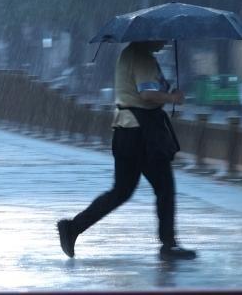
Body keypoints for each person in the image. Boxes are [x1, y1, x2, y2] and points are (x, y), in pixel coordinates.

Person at [57, 40, 196, 260]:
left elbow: (144, 89)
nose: (166, 41)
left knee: (121, 191)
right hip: (142, 134)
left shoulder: (130, 54)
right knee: (165, 188)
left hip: (125, 130)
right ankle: (169, 245)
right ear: (150, 35)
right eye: (162, 36)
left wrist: (167, 91)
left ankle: (73, 228)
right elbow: (147, 94)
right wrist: (172, 98)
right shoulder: (142, 57)